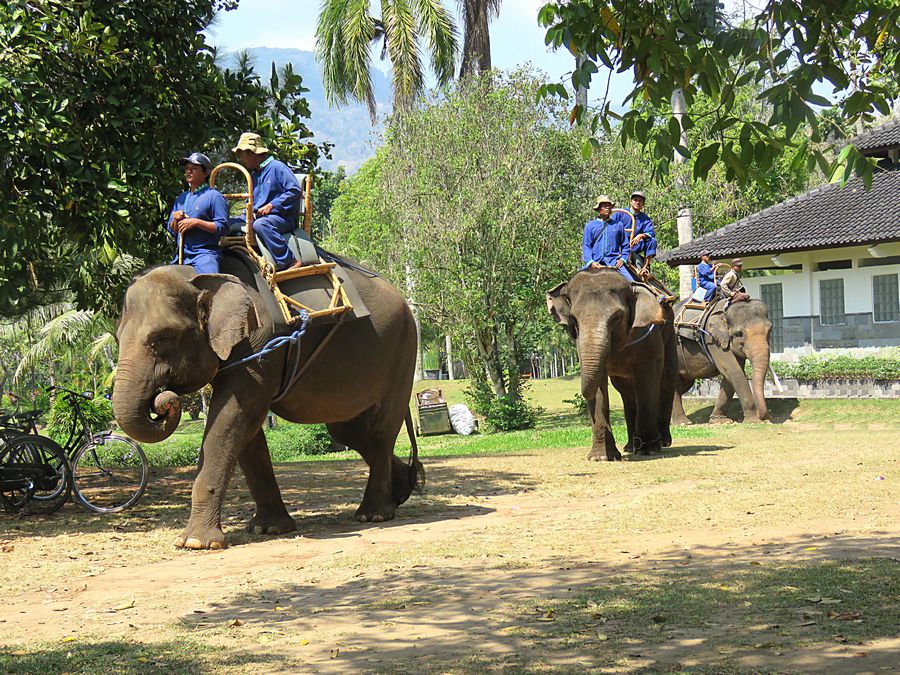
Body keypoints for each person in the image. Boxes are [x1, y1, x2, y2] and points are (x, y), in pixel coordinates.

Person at [232, 132, 303, 271]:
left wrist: (272, 205)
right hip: (259, 216)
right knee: (227, 223)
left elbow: (295, 190)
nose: (241, 158)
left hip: (282, 217)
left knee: (261, 224)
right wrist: (250, 211)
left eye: (242, 154)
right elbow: (252, 200)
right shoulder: (254, 174)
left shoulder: (277, 167)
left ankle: (289, 260)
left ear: (253, 153)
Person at [168, 152, 228, 274]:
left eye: (194, 169)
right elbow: (172, 231)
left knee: (210, 287)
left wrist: (196, 222)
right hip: (181, 256)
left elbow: (223, 227)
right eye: (187, 169)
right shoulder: (182, 197)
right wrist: (175, 220)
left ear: (205, 173)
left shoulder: (214, 196)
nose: (189, 172)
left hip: (204, 255)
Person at [582, 195, 633, 280]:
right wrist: (591, 262)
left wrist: (623, 259)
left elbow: (625, 246)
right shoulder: (590, 226)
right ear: (599, 209)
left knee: (631, 284)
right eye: (604, 206)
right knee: (576, 284)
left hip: (614, 262)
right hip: (595, 261)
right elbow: (586, 246)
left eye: (609, 206)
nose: (608, 208)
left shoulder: (618, 225)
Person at [624, 190, 657, 276]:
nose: (637, 202)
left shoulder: (645, 218)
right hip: (621, 245)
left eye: (640, 201)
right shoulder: (622, 213)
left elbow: (651, 232)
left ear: (643, 204)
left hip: (635, 245)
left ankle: (644, 267)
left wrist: (641, 235)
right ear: (631, 202)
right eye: (635, 200)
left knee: (652, 240)